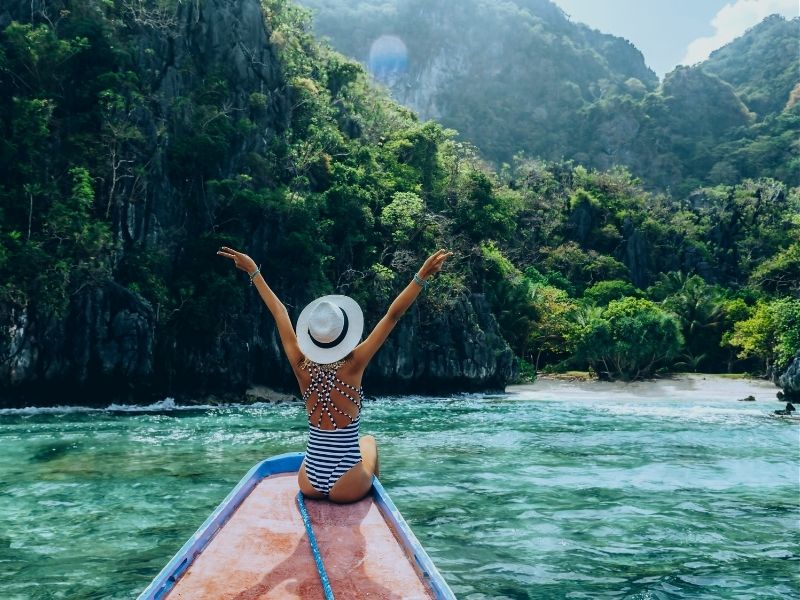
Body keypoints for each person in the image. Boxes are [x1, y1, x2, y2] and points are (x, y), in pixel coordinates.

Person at [217, 246, 452, 503]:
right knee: (369, 441)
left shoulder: (301, 364)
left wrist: (254, 271)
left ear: (312, 337)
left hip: (309, 480)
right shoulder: (354, 364)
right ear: (345, 335)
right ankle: (374, 504)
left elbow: (279, 312)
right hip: (347, 482)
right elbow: (393, 315)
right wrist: (421, 276)